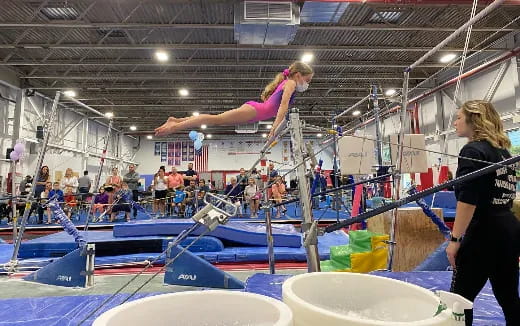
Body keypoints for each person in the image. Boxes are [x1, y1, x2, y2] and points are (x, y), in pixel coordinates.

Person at [447, 100, 520, 325]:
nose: (455, 122)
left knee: (458, 300)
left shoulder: (472, 150)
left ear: (474, 120)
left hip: (484, 232)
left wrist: (455, 239)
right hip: (508, 229)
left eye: (459, 117)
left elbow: (469, 201)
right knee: (508, 296)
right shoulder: (504, 153)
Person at [155, 61, 314, 136]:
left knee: (216, 119)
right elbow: (283, 106)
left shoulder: (288, 82)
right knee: (216, 119)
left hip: (255, 111)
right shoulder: (291, 83)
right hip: (255, 111)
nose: (307, 84)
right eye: (307, 80)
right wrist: (274, 128)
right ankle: (174, 127)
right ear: (298, 75)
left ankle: (175, 120)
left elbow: (279, 105)